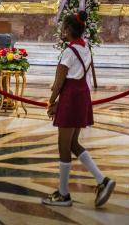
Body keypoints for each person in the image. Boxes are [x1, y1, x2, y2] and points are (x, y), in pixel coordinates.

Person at [41, 11, 116, 208]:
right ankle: (102, 180)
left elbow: (58, 83)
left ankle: (64, 194)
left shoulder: (68, 52)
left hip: (70, 97)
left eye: (63, 28)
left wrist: (51, 102)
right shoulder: (86, 48)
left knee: (63, 146)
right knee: (73, 143)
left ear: (67, 30)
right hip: (82, 95)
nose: (61, 31)